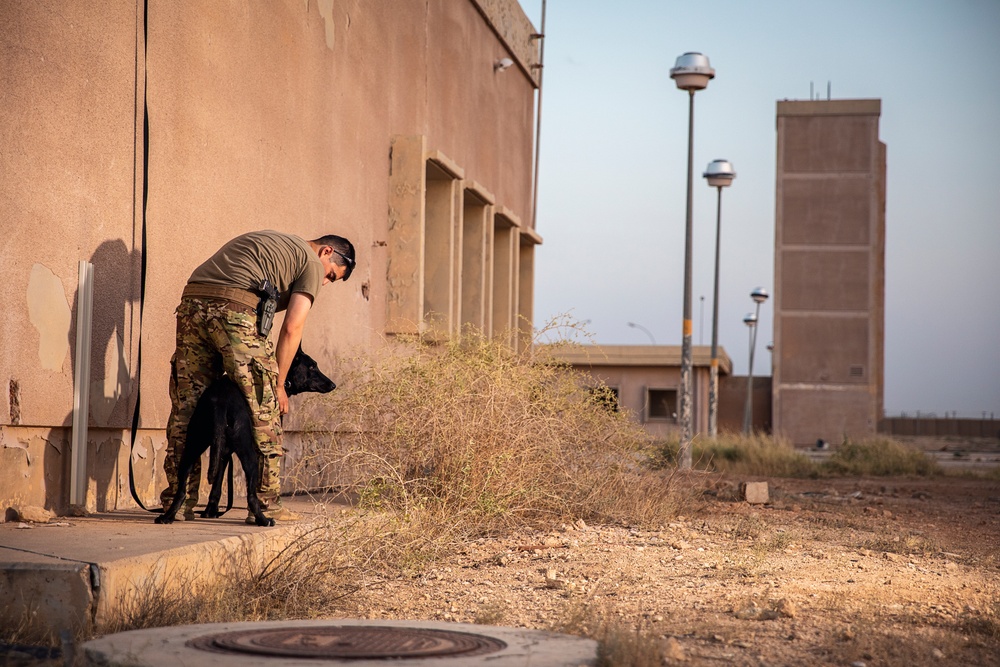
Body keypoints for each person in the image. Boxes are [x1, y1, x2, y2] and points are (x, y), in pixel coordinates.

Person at [159, 230, 355, 523]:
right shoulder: (312, 263)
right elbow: (292, 328)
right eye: (332, 275)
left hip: (192, 302)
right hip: (235, 309)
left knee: (187, 410)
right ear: (327, 252)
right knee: (264, 408)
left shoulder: (278, 246)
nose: (325, 281)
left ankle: (178, 502)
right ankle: (265, 505)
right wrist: (278, 384)